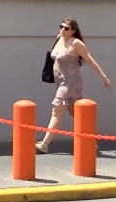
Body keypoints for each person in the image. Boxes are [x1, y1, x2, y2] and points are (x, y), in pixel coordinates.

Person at [36, 17, 111, 154]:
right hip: (60, 82)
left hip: (71, 83)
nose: (62, 30)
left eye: (66, 28)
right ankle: (91, 141)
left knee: (56, 111)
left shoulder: (76, 43)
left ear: (73, 31)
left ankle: (45, 144)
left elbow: (89, 60)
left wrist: (103, 76)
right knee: (76, 113)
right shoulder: (59, 38)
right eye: (61, 26)